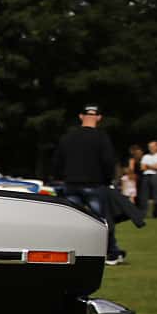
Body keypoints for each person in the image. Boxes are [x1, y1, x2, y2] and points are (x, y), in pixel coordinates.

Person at [53, 104, 126, 265]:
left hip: (71, 183)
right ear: (99, 118)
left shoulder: (68, 137)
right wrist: (108, 180)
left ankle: (72, 251)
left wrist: (59, 177)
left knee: (73, 221)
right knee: (102, 221)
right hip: (94, 184)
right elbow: (108, 161)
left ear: (81, 116)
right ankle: (111, 253)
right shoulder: (101, 137)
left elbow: (57, 161)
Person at [140, 139, 157, 218]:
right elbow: (142, 168)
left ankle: (156, 214)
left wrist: (148, 166)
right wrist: (153, 166)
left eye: (152, 146)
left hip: (156, 176)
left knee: (156, 196)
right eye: (149, 147)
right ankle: (143, 213)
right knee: (144, 196)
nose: (150, 148)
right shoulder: (145, 156)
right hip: (146, 176)